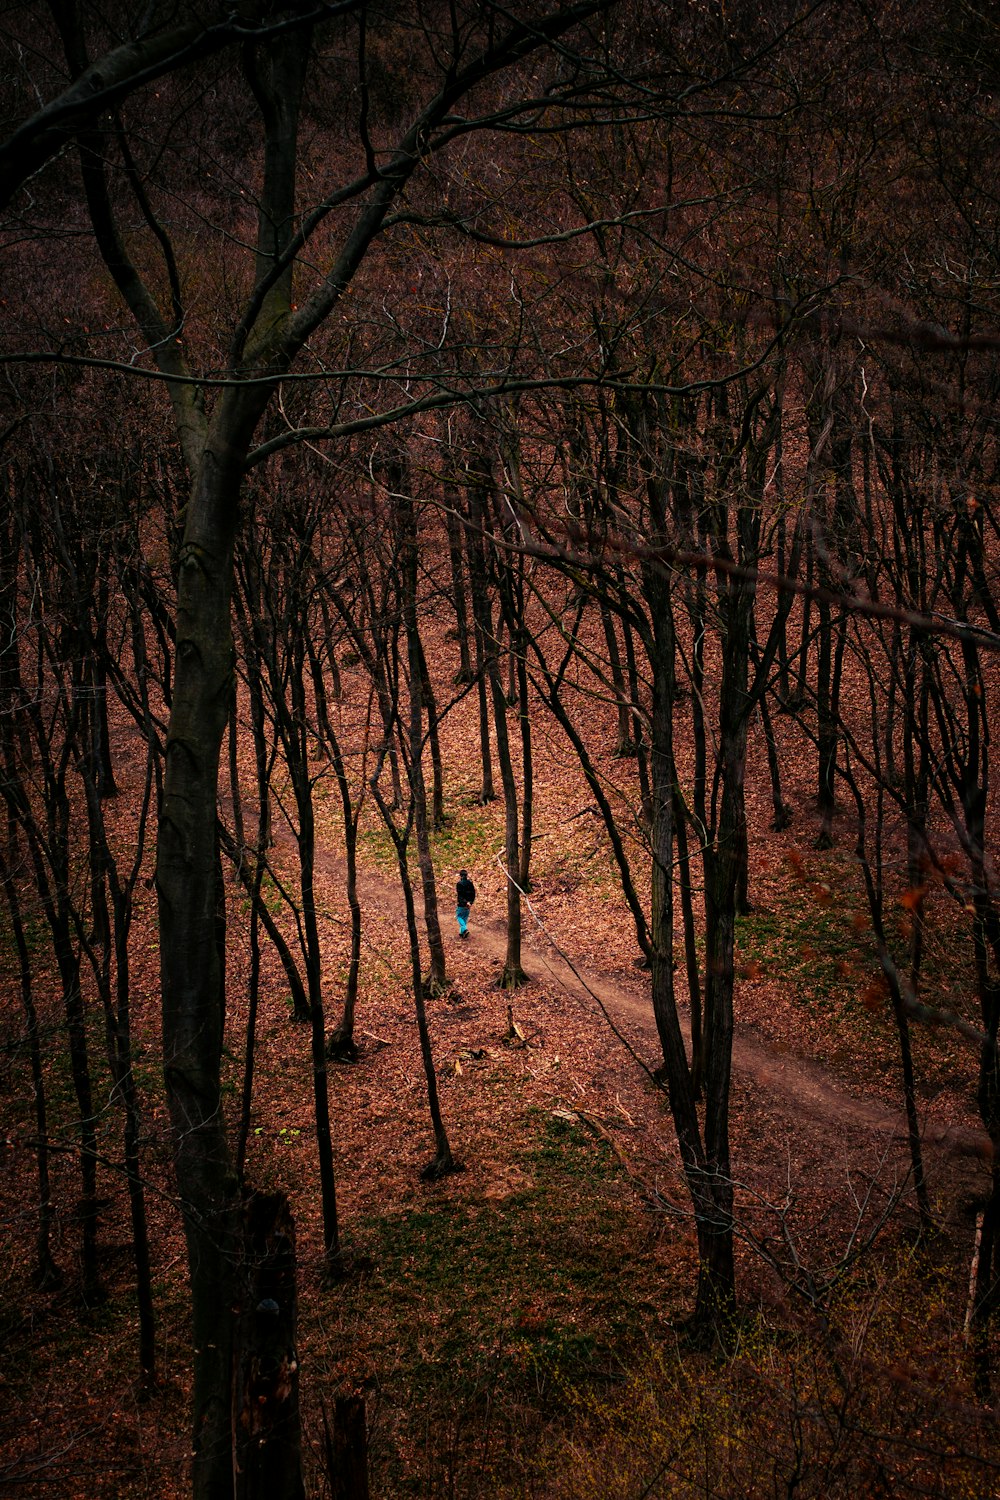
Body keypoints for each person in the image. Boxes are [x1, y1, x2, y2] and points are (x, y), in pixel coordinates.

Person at [456, 869, 476, 939]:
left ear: (460, 876)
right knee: (464, 918)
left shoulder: (459, 884)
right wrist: (470, 902)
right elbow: (473, 894)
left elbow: (460, 895)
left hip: (462, 904)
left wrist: (465, 902)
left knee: (459, 917)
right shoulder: (470, 883)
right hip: (469, 904)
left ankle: (464, 929)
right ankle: (462, 933)